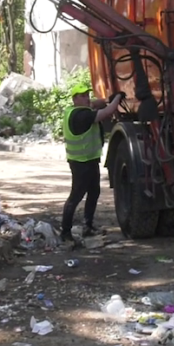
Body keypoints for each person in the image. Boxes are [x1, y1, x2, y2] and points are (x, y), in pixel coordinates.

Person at [60, 82, 123, 246]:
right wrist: (117, 99)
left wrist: (105, 99)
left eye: (87, 95)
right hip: (81, 163)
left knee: (94, 192)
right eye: (82, 96)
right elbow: (106, 112)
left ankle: (88, 226)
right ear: (74, 99)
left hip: (89, 160)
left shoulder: (74, 110)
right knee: (76, 196)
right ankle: (65, 232)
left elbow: (96, 104)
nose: (86, 98)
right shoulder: (82, 116)